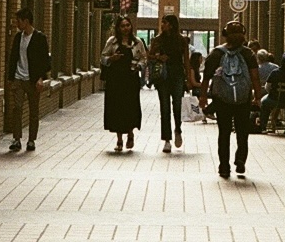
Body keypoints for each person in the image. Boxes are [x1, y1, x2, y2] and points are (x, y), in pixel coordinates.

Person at [200, 19, 262, 179]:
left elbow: (206, 77)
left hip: (222, 99)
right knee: (242, 132)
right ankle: (240, 159)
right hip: (243, 99)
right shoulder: (248, 54)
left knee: (224, 133)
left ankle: (224, 166)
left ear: (225, 35)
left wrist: (203, 97)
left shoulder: (217, 53)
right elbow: (255, 78)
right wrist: (257, 96)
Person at [5, 8, 52, 152]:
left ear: (26, 21)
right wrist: (10, 78)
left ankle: (31, 140)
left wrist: (41, 78)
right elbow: (13, 58)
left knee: (33, 110)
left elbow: (46, 61)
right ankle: (17, 139)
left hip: (32, 80)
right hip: (19, 78)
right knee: (17, 108)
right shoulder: (18, 37)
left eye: (19, 21)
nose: (17, 24)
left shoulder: (39, 38)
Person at [148, 12, 195, 153]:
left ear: (172, 25)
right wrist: (158, 57)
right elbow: (149, 56)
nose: (162, 25)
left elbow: (186, 60)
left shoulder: (182, 41)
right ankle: (166, 139)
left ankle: (178, 130)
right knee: (165, 107)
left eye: (165, 22)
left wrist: (189, 79)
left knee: (177, 105)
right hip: (162, 75)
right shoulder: (157, 40)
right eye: (162, 22)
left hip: (177, 75)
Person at [100, 15, 147, 152]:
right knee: (117, 108)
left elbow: (144, 59)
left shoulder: (137, 42)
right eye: (122, 26)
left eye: (127, 25)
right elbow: (103, 57)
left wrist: (138, 66)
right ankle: (119, 139)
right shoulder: (112, 42)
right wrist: (111, 59)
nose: (125, 28)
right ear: (118, 28)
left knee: (130, 107)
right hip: (115, 80)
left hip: (130, 79)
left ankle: (130, 133)